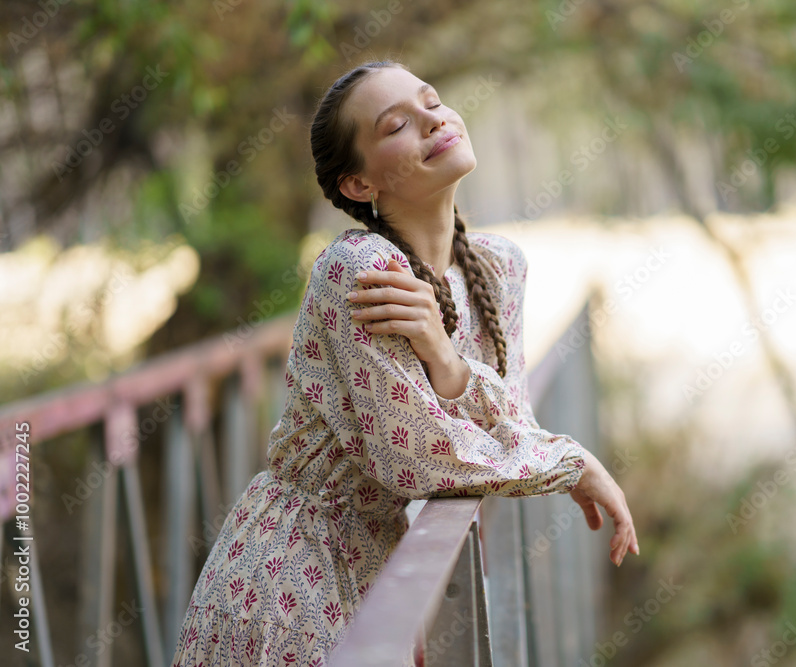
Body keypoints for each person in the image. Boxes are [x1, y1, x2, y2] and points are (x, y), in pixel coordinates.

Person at [169, 58, 638, 667]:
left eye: (433, 101)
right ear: (360, 185)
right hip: (293, 574)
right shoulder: (360, 270)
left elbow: (513, 422)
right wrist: (569, 463)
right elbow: (415, 456)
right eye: (397, 126)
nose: (433, 120)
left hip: (381, 568)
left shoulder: (497, 269)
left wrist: (447, 362)